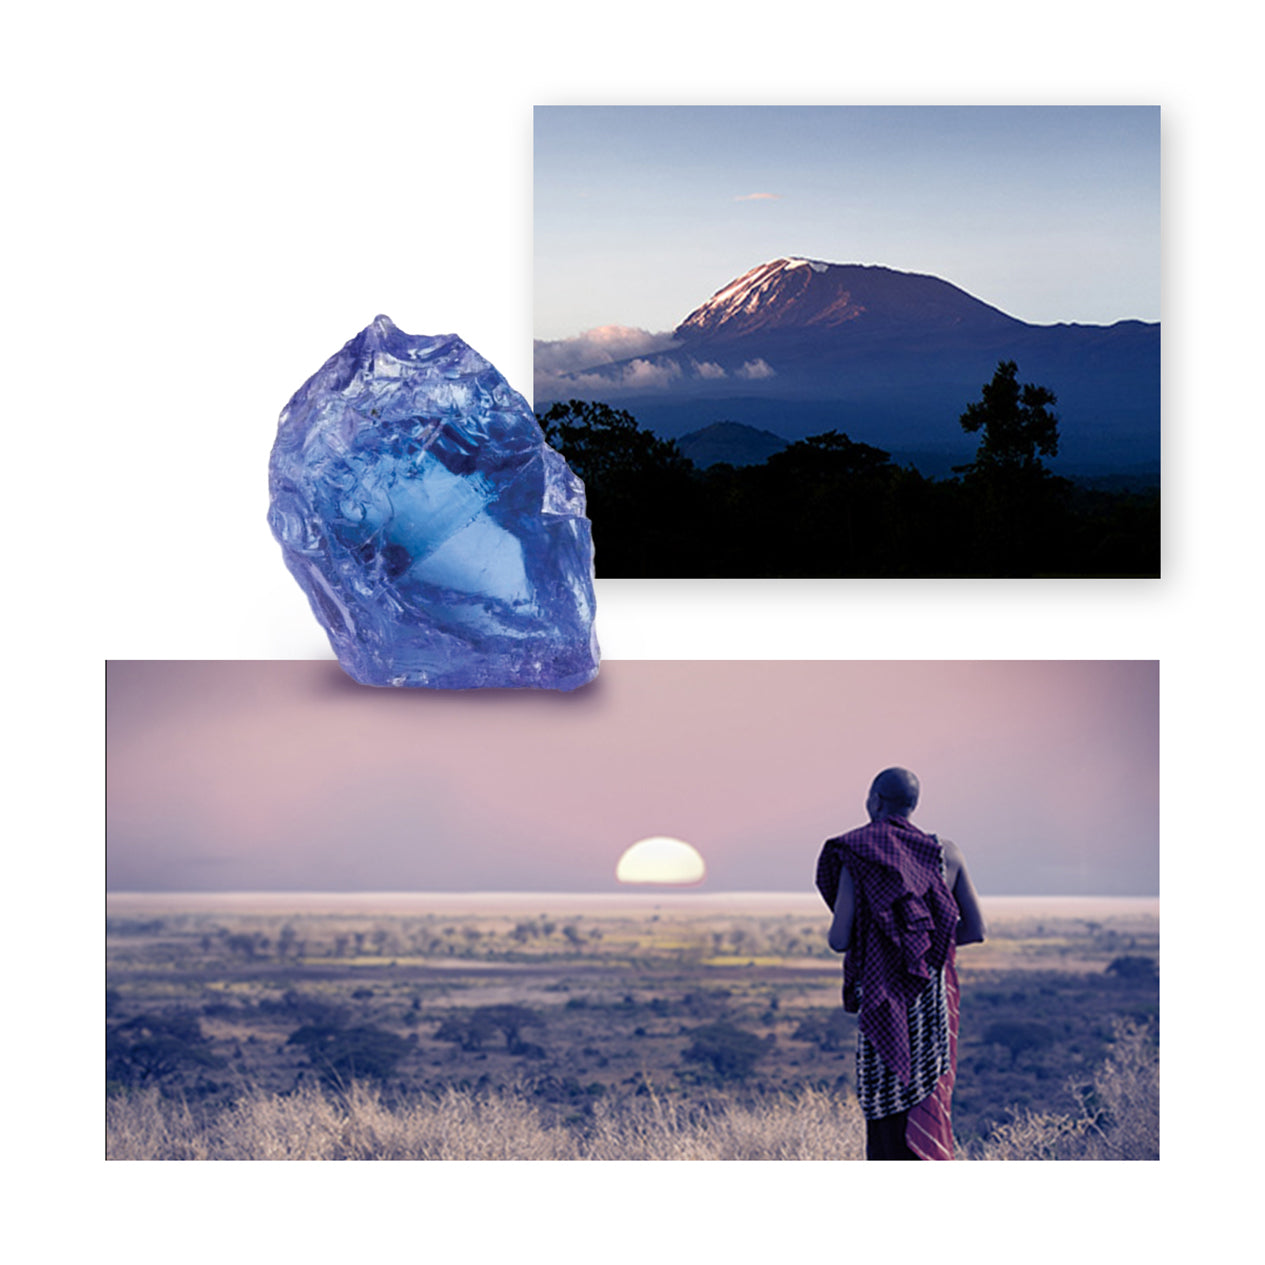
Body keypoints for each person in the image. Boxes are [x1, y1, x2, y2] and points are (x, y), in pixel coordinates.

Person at [815, 767, 985, 1160]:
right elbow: (975, 929)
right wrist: (923, 946)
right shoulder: (947, 853)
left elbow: (839, 939)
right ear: (913, 805)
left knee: (886, 1120)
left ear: (874, 801)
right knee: (925, 1102)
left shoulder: (859, 853)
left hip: (883, 1003)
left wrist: (885, 948)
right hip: (930, 1008)